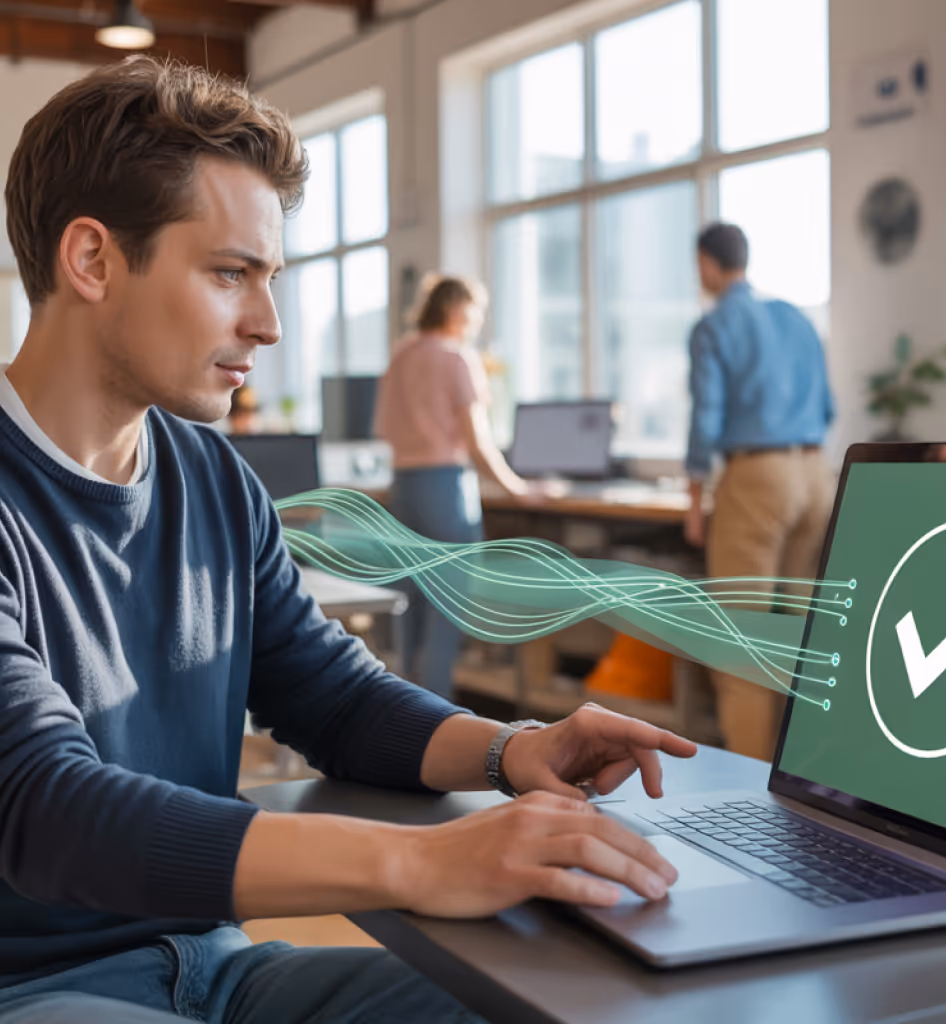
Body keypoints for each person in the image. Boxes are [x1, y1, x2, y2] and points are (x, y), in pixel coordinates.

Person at [0, 56, 697, 1023]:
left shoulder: (213, 481)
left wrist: (513, 750)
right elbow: (46, 808)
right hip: (36, 991)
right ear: (92, 260)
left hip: (219, 964)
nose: (270, 322)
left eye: (270, 277)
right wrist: (416, 862)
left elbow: (329, 696)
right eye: (229, 273)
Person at [684, 222, 835, 762]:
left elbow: (707, 417)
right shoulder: (796, 318)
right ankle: (806, 774)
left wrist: (695, 499)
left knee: (743, 640)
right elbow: (827, 409)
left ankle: (751, 792)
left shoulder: (715, 325)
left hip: (757, 480)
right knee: (799, 633)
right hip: (816, 475)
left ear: (707, 263)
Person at [374, 274, 535, 699]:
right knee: (446, 611)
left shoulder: (401, 355)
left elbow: (383, 428)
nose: (478, 321)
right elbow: (478, 443)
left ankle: (402, 713)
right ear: (456, 310)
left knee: (408, 608)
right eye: (476, 311)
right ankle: (438, 719)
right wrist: (519, 489)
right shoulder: (457, 358)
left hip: (403, 487)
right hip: (445, 488)